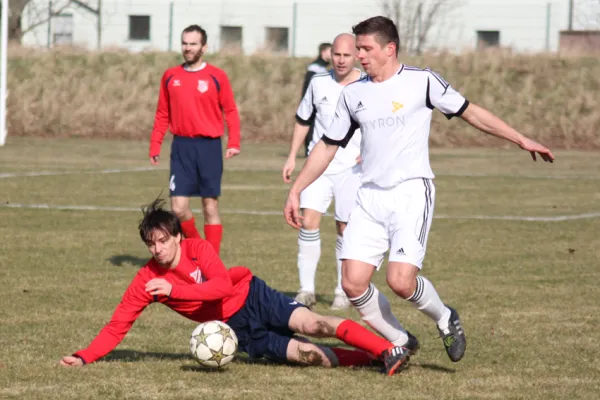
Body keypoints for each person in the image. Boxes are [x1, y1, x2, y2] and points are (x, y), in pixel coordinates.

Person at [284, 16, 555, 363]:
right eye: (358, 49)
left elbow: (471, 113)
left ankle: (445, 317)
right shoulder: (354, 94)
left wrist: (520, 138)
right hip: (369, 196)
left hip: (410, 193)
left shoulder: (422, 82)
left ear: (389, 48)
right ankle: (401, 340)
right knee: (352, 284)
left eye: (366, 49)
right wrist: (297, 189)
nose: (359, 55)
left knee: (401, 282)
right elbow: (327, 145)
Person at [58, 197, 412, 376]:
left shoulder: (198, 249)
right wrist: (85, 355)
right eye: (151, 244)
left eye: (163, 241)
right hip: (236, 329)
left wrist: (175, 292)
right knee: (310, 356)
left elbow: (221, 288)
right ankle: (371, 358)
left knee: (314, 325)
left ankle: (388, 350)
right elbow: (118, 324)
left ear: (178, 237)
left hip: (253, 297)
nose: (157, 249)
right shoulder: (146, 281)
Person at [283, 33, 363, 310]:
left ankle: (342, 291)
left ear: (356, 56)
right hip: (318, 167)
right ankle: (306, 290)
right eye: (336, 55)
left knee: (344, 227)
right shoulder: (318, 82)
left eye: (346, 55)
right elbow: (303, 120)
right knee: (308, 223)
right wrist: (293, 156)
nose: (341, 60)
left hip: (352, 169)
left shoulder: (367, 85)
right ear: (330, 54)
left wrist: (370, 151)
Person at [148, 24, 241, 255]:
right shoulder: (170, 76)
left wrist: (234, 142)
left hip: (209, 147)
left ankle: (212, 261)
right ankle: (200, 249)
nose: (188, 48)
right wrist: (155, 143)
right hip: (181, 146)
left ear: (204, 47)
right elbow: (162, 113)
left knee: (210, 206)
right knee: (178, 208)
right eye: (185, 43)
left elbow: (230, 110)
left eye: (193, 44)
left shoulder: (217, 76)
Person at [301, 42, 332, 157]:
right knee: (310, 126)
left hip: (320, 102)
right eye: (330, 51)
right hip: (313, 103)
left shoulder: (323, 68)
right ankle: (309, 151)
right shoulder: (315, 68)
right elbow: (309, 88)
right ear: (323, 52)